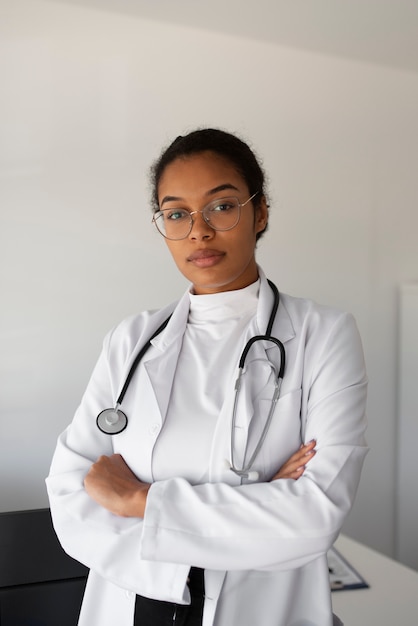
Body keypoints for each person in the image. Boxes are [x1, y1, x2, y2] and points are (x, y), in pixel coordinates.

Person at [46, 128, 368, 626]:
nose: (198, 231)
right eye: (176, 214)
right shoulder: (130, 340)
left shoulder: (322, 335)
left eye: (221, 206)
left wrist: (138, 498)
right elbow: (71, 493)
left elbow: (313, 516)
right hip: (130, 607)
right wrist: (253, 505)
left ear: (259, 213)